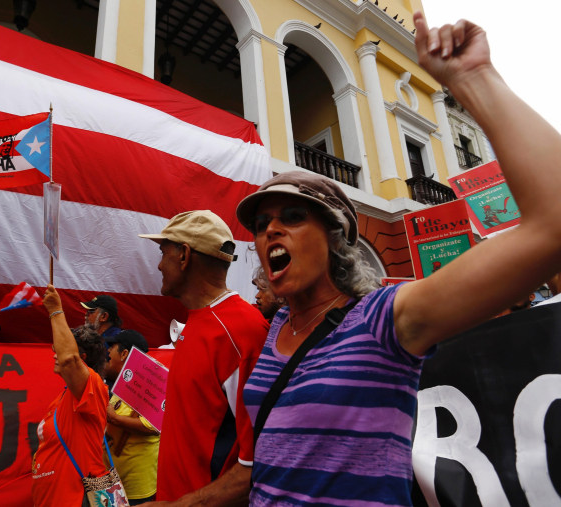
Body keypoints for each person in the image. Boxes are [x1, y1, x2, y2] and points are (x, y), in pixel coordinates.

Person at [235, 11, 561, 505]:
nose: (271, 230)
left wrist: (474, 79)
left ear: (336, 238)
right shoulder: (275, 330)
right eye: (261, 226)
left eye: (293, 217)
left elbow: (553, 223)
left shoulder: (384, 319)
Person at [139, 210, 269, 504]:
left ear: (184, 256)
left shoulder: (241, 330)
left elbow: (258, 464)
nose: (159, 265)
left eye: (163, 252)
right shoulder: (198, 321)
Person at [32, 288, 111, 506]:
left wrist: (56, 311)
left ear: (82, 359)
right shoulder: (63, 397)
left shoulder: (93, 385)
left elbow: (68, 360)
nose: (55, 354)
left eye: (60, 348)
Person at [103, 329, 160, 504]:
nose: (108, 351)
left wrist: (114, 419)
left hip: (136, 484)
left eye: (112, 347)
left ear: (124, 354)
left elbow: (153, 426)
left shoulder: (152, 382)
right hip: (111, 476)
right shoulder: (124, 383)